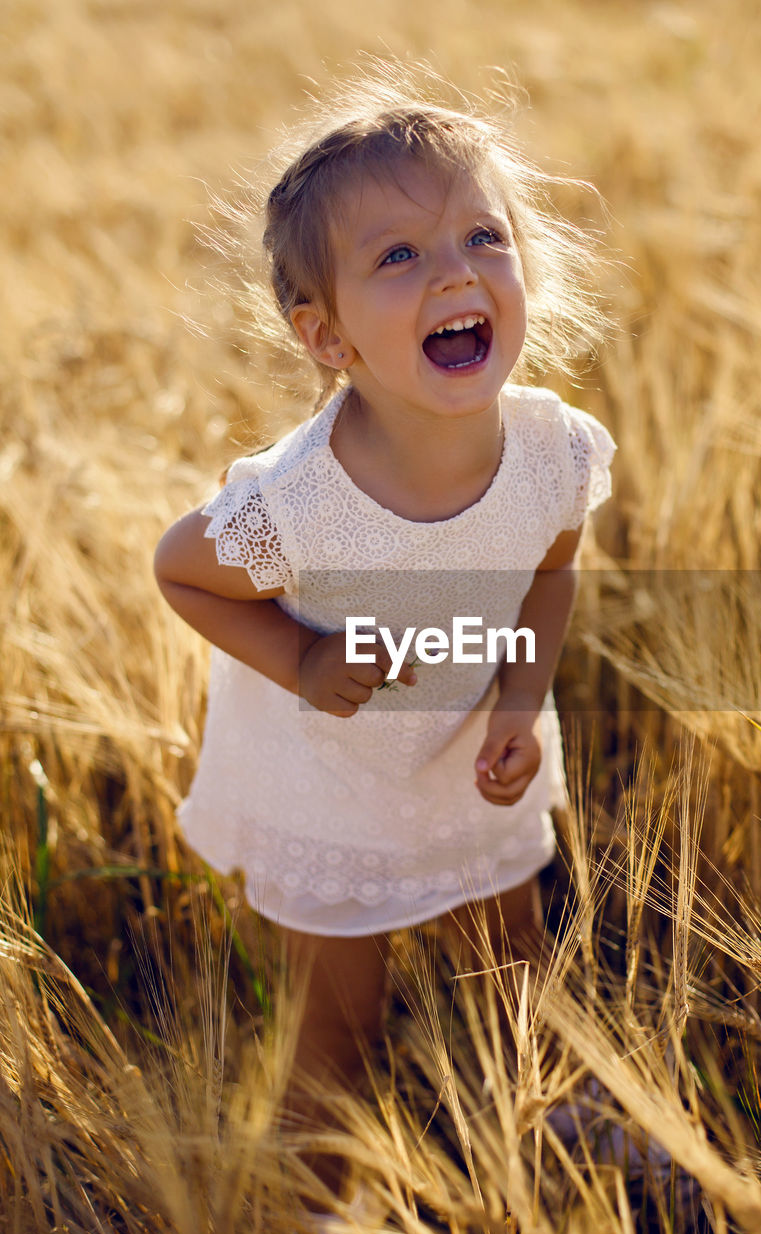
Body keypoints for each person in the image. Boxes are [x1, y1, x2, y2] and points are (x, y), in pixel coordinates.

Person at [154, 70, 615, 1137]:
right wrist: (305, 662)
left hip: (466, 746)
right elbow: (181, 568)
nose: (454, 272)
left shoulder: (549, 448)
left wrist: (518, 702)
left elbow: (550, 570)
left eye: (482, 238)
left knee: (514, 958)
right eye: (398, 256)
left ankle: (550, 1119)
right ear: (328, 337)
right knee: (340, 1022)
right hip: (330, 778)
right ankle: (316, 1207)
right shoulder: (299, 502)